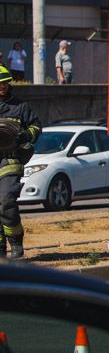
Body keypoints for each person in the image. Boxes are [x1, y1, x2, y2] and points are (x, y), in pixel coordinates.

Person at [0, 66, 40, 258]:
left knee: (6, 201)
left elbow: (36, 127)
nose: (2, 86)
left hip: (10, 158)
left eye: (5, 83)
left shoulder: (20, 106)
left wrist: (25, 135)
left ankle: (16, 242)